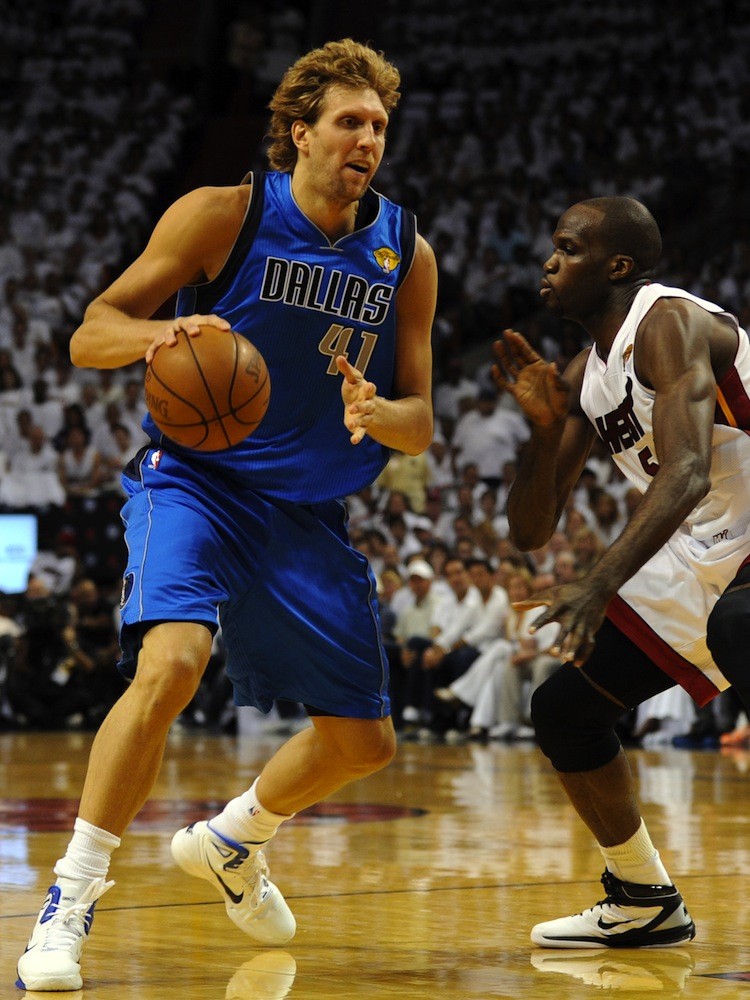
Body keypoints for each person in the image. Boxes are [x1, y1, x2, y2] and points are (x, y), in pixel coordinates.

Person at [18, 38, 436, 993]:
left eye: (379, 125)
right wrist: (168, 331)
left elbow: (421, 422)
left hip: (309, 511)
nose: (368, 138)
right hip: (196, 483)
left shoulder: (405, 254)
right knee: (170, 664)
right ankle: (71, 900)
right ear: (301, 132)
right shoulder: (226, 213)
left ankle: (234, 840)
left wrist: (380, 414)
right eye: (348, 122)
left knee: (362, 743)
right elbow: (92, 331)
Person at [492, 195, 750, 949]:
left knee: (740, 626)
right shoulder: (584, 375)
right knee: (566, 709)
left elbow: (689, 470)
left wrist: (600, 581)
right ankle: (643, 898)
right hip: (710, 543)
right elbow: (531, 531)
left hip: (724, 525)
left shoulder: (666, 323)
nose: (550, 260)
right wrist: (542, 437)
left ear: (617, 266)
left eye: (568, 249)